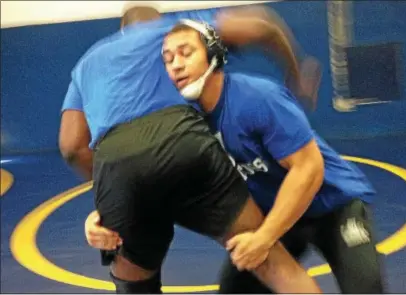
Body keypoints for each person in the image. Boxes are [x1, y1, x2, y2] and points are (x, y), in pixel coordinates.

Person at [85, 20, 385, 293]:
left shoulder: (257, 97)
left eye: (185, 53)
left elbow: (308, 169)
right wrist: (107, 214)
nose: (176, 66)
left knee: (366, 290)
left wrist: (265, 237)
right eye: (168, 59)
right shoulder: (183, 122)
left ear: (213, 53)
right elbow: (161, 182)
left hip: (333, 206)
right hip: (277, 214)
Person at [59, 5, 323, 294]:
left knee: (133, 281)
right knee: (269, 260)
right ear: (160, 23)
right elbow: (262, 26)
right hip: (184, 143)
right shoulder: (170, 31)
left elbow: (72, 146)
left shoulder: (87, 63)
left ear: (120, 29)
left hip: (117, 164)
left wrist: (110, 191)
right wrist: (294, 69)